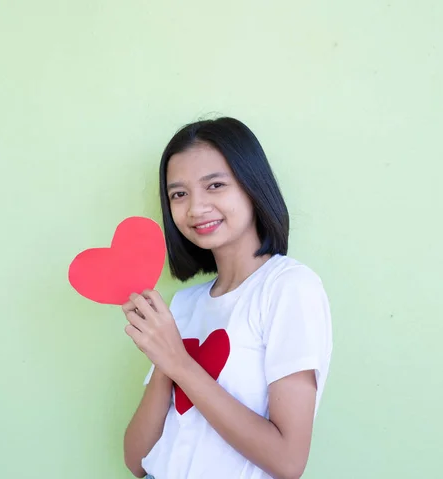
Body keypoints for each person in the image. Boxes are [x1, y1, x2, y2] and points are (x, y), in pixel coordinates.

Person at [122, 117, 333, 479]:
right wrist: (163, 364)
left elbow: (288, 461)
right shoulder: (184, 304)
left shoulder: (288, 287)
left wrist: (179, 362)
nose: (195, 208)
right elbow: (137, 461)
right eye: (179, 194)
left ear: (252, 187)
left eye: (215, 185)